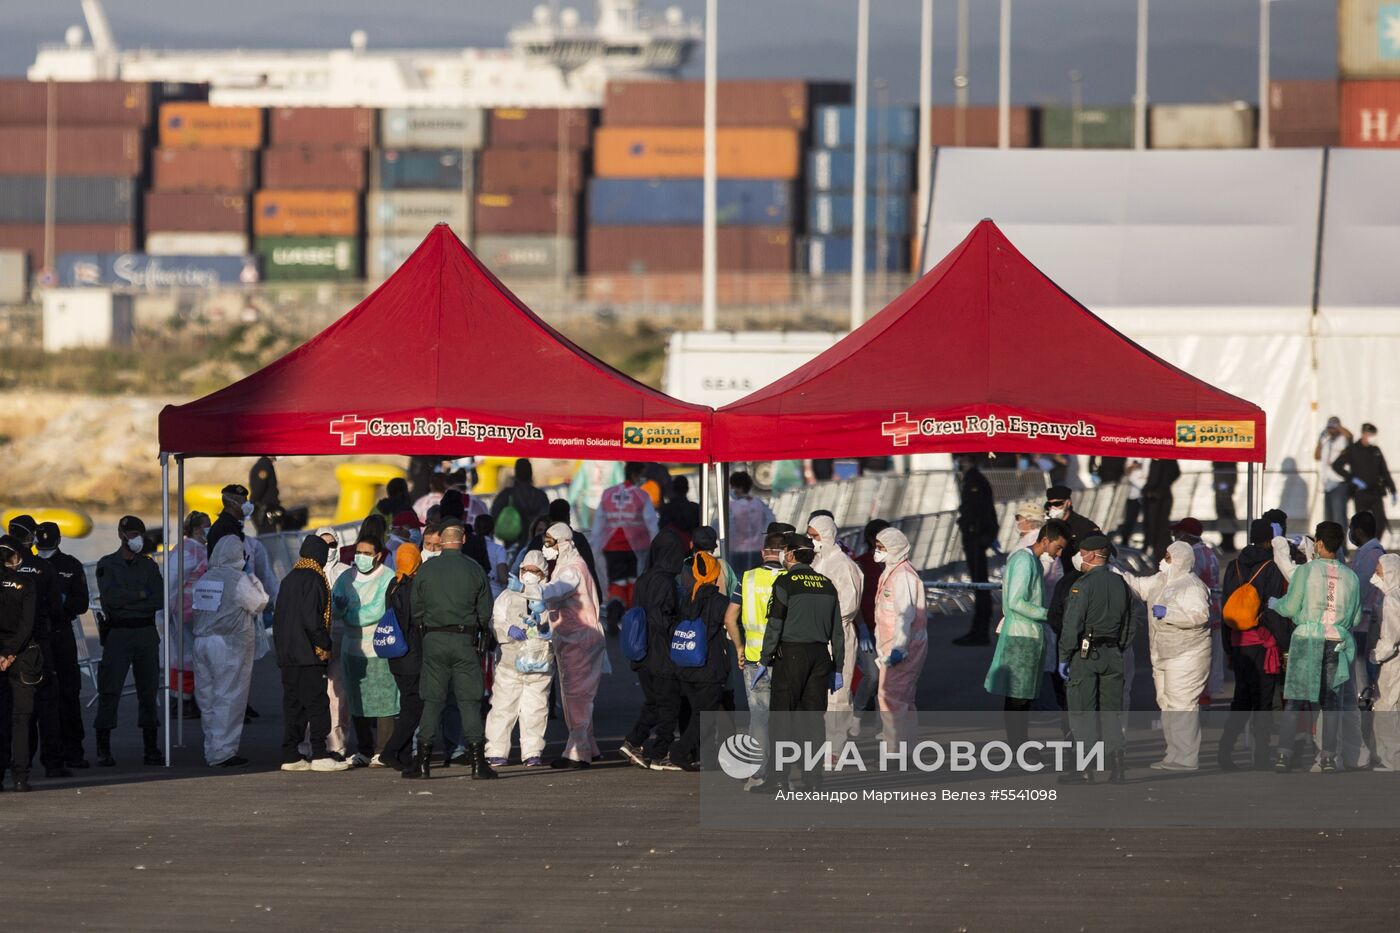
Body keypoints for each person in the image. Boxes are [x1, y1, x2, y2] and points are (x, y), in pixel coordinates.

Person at [1269, 521, 1360, 773]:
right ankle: (1328, 756)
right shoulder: (1351, 576)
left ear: (1318, 543)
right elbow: (1357, 618)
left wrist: (1274, 603)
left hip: (1307, 638)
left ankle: (1284, 755)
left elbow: (1289, 607)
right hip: (1338, 642)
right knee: (1331, 702)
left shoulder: (1306, 571)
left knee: (1296, 699)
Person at [410, 521, 496, 780]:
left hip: (434, 640)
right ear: (463, 540)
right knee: (469, 701)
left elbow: (417, 608)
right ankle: (478, 763)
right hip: (464, 641)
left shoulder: (427, 569)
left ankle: (422, 763)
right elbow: (485, 611)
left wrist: (428, 627)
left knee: (432, 700)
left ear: (442, 541)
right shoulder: (474, 569)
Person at [1117, 541, 1211, 771]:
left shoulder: (1192, 585)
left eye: (1168, 557)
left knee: (1182, 704)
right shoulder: (1160, 581)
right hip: (1163, 654)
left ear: (1179, 560)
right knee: (1167, 703)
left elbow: (1200, 616)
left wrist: (1169, 613)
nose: (1163, 560)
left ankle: (1187, 757)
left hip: (1187, 654)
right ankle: (1174, 753)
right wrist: (1112, 568)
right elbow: (1136, 585)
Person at [761, 533, 844, 791]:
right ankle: (813, 779)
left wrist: (765, 659)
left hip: (791, 655)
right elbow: (837, 631)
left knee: (782, 719)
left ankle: (778, 779)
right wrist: (837, 666)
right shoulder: (827, 584)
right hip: (820, 657)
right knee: (813, 721)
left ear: (792, 554)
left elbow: (775, 623)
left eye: (786, 551)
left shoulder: (786, 583)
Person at [527, 523, 607, 770]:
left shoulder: (572, 569)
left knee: (576, 698)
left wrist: (528, 589)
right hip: (573, 638)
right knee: (577, 696)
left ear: (563, 542)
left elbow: (558, 590)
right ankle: (588, 747)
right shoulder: (565, 565)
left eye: (550, 543)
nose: (546, 547)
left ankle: (578, 753)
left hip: (579, 639)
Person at [1058, 534, 1136, 784]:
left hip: (1086, 654)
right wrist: (1120, 645)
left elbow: (1072, 624)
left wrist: (1064, 655)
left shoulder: (1083, 585)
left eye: (1081, 552)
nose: (1079, 557)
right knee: (1112, 711)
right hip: (1113, 652)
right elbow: (1131, 620)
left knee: (1083, 712)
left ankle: (1085, 768)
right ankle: (1117, 766)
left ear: (1091, 555)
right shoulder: (1120, 583)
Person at [986, 521, 1069, 748]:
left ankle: (1019, 742)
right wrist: (1048, 614)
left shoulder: (1031, 560)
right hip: (1020, 634)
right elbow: (1016, 602)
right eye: (1058, 547)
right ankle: (1017, 744)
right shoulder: (1024, 560)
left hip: (1029, 634)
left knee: (1023, 695)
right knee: (1017, 696)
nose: (1059, 553)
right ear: (1045, 540)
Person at [1217, 519, 1290, 771]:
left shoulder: (1234, 566)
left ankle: (1224, 751)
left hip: (1238, 643)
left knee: (1241, 699)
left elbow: (1226, 607)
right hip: (1263, 643)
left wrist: (1228, 647)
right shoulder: (1271, 567)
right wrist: (1282, 645)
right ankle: (1261, 756)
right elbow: (1273, 610)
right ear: (1270, 540)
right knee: (1263, 701)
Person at [93, 516, 165, 768]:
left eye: (139, 534)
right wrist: (139, 595)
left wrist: (130, 600)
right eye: (132, 533)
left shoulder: (149, 566)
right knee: (109, 690)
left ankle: (151, 746)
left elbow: (159, 599)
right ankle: (103, 747)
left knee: (149, 691)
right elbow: (111, 599)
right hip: (119, 635)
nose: (136, 539)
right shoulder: (107, 564)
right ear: (121, 535)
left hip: (145, 633)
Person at [190, 535, 268, 767]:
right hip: (228, 645)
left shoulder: (205, 578)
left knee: (207, 698)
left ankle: (212, 746)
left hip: (201, 642)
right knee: (229, 697)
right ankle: (222, 752)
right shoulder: (239, 579)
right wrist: (251, 576)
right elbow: (259, 602)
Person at [274, 535, 348, 772]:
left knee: (293, 705)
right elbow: (312, 619)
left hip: (288, 655)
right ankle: (319, 752)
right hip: (308, 654)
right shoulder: (315, 579)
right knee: (317, 703)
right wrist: (325, 644)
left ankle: (290, 753)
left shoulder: (288, 579)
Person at [721, 531, 788, 788]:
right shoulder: (789, 579)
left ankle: (759, 773)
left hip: (753, 658)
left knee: (759, 717)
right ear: (784, 554)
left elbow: (729, 618)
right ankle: (784, 773)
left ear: (763, 553)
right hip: (783, 658)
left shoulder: (746, 579)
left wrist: (739, 646)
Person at [621, 530, 688, 772]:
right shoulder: (666, 581)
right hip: (661, 653)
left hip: (642, 651)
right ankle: (660, 753)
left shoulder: (644, 578)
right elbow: (661, 617)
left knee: (654, 703)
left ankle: (634, 741)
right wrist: (679, 630)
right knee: (669, 704)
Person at [7, 516, 68, 777]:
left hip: (6, 647)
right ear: (31, 536)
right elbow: (56, 608)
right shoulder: (40, 568)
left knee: (15, 710)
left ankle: (19, 762)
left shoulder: (8, 569)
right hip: (36, 644)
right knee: (46, 704)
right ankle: (52, 763)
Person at [332, 534, 400, 767]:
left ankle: (383, 749)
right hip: (351, 649)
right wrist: (340, 609)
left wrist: (349, 613)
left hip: (379, 648)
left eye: (367, 553)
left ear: (379, 555)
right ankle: (364, 749)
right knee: (357, 699)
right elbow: (334, 605)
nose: (361, 557)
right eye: (358, 553)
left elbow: (377, 610)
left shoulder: (388, 578)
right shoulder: (345, 577)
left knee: (384, 701)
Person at [485, 550, 554, 768]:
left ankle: (532, 751)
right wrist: (508, 629)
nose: (530, 574)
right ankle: (496, 750)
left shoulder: (550, 596)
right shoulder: (507, 596)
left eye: (535, 571)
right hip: (509, 663)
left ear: (543, 574)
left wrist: (545, 628)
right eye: (526, 570)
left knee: (536, 710)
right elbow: (496, 621)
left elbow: (558, 624)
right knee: (503, 708)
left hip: (540, 664)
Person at [807, 515, 867, 747]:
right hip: (816, 636)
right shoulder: (816, 562)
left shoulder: (844, 565)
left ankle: (837, 743)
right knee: (817, 691)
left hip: (838, 634)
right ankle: (820, 740)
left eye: (815, 536)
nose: (812, 541)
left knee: (838, 694)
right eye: (810, 536)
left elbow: (849, 604)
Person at [33, 522, 89, 768]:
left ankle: (73, 750)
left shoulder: (71, 565)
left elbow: (81, 603)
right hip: (36, 635)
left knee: (69, 691)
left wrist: (60, 605)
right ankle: (35, 753)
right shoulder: (28, 566)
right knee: (37, 696)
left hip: (61, 632)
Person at [670, 549, 732, 771]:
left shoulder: (688, 599)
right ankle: (680, 751)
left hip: (686, 666)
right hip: (710, 667)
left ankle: (707, 755)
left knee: (700, 712)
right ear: (716, 573)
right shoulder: (720, 602)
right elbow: (731, 626)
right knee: (704, 715)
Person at [870, 527, 929, 737]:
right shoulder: (892, 572)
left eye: (881, 547)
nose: (876, 551)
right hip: (892, 647)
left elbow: (905, 615)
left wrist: (900, 648)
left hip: (903, 648)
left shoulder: (903, 576)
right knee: (901, 699)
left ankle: (894, 748)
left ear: (894, 549)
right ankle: (904, 745)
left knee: (892, 699)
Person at [591, 462, 660, 610]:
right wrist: (657, 547)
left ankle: (615, 609)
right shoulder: (641, 495)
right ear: (635, 475)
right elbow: (652, 524)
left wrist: (596, 547)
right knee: (634, 581)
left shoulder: (608, 493)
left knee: (617, 582)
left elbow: (598, 524)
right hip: (636, 548)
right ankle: (632, 614)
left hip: (611, 547)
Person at [1, 536, 40, 792]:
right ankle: (20, 776)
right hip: (22, 655)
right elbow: (27, 625)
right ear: (15, 556)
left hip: (5, 655)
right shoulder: (25, 583)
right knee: (21, 718)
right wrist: (10, 652)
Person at [1170, 518, 1224, 704]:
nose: (1174, 538)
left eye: (1177, 534)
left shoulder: (1191, 556)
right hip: (1215, 611)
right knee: (1209, 659)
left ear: (1186, 536)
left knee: (1195, 660)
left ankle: (1198, 699)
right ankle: (1205, 696)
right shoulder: (1210, 553)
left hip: (1198, 614)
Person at [310, 526, 351, 763]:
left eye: (332, 544)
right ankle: (312, 742)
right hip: (314, 641)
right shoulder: (306, 572)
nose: (328, 550)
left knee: (338, 696)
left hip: (341, 638)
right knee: (313, 694)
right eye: (323, 544)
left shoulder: (347, 573)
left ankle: (338, 743)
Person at [382, 542, 424, 776]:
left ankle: (403, 754)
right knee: (414, 706)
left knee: (408, 703)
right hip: (413, 656)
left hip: (395, 654)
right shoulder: (414, 586)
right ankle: (391, 750)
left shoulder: (393, 584)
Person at [168, 512, 210, 720]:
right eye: (205, 526)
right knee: (184, 656)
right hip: (184, 611)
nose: (208, 530)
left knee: (195, 656)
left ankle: (190, 697)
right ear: (195, 528)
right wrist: (169, 609)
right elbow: (172, 581)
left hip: (198, 611)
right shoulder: (187, 551)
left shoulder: (199, 549)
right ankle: (181, 701)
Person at [953, 455, 998, 646]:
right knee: (979, 584)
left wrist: (980, 535)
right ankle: (978, 629)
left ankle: (980, 630)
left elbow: (980, 511)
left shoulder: (975, 480)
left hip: (976, 538)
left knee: (980, 585)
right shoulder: (973, 479)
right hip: (976, 537)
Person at [852, 519, 891, 719]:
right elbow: (854, 598)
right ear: (870, 538)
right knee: (872, 675)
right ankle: (856, 713)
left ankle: (881, 724)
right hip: (865, 628)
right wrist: (862, 627)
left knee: (886, 680)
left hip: (889, 630)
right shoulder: (860, 564)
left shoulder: (894, 564)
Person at [1332, 424, 1395, 541]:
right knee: (1362, 523)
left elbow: (1384, 471)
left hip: (1375, 492)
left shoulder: (1375, 450)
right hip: (1360, 493)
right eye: (1370, 435)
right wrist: (1352, 478)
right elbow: (1337, 465)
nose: (1372, 438)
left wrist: (1393, 489)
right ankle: (1363, 546)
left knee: (1380, 520)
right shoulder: (1353, 449)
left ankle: (1374, 544)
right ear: (1364, 434)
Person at [1368, 554, 1400, 771]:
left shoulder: (1391, 600)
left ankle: (1392, 758)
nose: (1376, 575)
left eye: (1380, 571)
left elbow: (1389, 639)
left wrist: (1374, 655)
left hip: (1392, 663)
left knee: (1386, 707)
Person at [492, 459, 552, 551]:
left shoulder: (507, 494)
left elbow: (494, 515)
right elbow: (547, 518)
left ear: (516, 473)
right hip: (536, 545)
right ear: (531, 473)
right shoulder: (540, 495)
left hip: (512, 544)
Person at [728, 471, 775, 574]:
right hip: (757, 550)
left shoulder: (731, 507)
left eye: (732, 487)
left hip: (737, 552)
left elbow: (721, 528)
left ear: (738, 488)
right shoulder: (759, 504)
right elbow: (771, 523)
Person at [1316, 417, 1355, 526]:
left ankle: (1341, 543)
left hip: (1339, 482)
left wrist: (1338, 427)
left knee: (1339, 517)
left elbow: (1350, 436)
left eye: (1333, 428)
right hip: (1327, 483)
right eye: (1329, 428)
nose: (1331, 430)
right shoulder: (1327, 442)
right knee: (1329, 518)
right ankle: (1331, 542)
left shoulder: (1343, 440)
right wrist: (1320, 440)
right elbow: (1317, 456)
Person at [1141, 459, 1181, 562]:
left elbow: (1174, 473)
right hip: (1154, 496)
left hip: (1159, 498)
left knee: (1160, 529)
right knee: (1155, 528)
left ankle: (1162, 557)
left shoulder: (1165, 458)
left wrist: (1159, 489)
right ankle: (1158, 555)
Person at [567, 460, 624, 532]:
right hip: (608, 505)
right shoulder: (614, 463)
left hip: (589, 503)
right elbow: (621, 485)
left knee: (588, 533)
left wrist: (568, 504)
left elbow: (576, 486)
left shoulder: (586, 463)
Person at [207, 484, 251, 555]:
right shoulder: (225, 528)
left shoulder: (232, 525)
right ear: (233, 504)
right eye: (244, 502)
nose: (248, 505)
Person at [1113, 459, 1148, 546]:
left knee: (1148, 519)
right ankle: (1125, 539)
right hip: (1134, 494)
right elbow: (1127, 471)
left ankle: (1148, 542)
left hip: (1147, 494)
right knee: (1130, 519)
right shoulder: (1132, 457)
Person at [657, 474, 702, 539]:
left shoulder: (666, 509)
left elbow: (662, 531)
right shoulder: (695, 508)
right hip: (691, 546)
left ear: (673, 489)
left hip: (672, 547)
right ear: (687, 489)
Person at [249, 455, 282, 534]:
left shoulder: (265, 465)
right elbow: (260, 487)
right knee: (267, 534)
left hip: (267, 507)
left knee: (267, 534)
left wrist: (251, 502)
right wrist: (252, 502)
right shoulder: (264, 466)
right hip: (264, 507)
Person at [1213, 463, 1240, 553]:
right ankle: (1226, 538)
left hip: (1224, 473)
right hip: (1222, 473)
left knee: (1224, 504)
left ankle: (1228, 538)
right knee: (1222, 505)